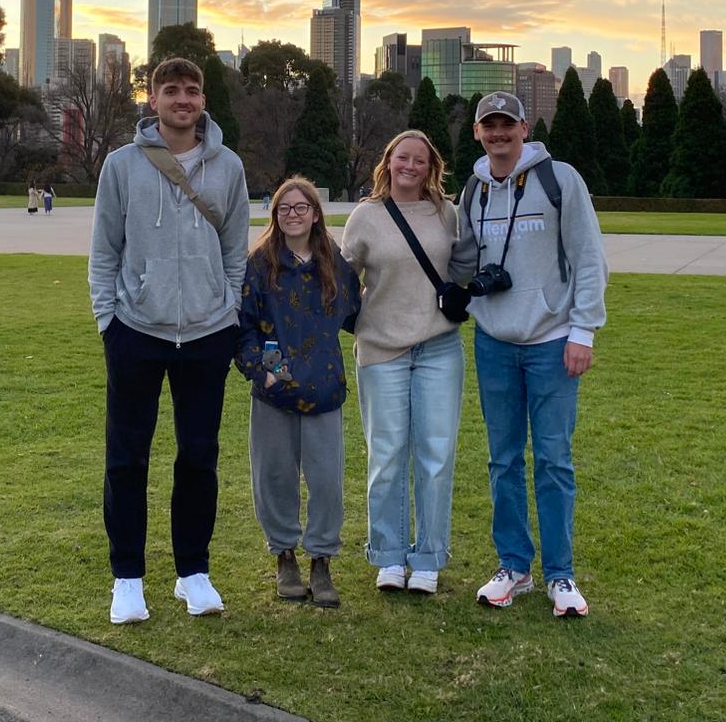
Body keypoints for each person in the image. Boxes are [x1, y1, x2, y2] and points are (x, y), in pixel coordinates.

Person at [88, 57, 251, 625]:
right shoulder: (121, 165)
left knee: (199, 456)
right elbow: (105, 249)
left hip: (207, 332)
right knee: (127, 458)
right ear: (152, 99)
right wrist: (108, 321)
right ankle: (127, 579)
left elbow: (236, 249)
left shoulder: (227, 165)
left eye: (192, 91)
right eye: (171, 90)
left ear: (203, 100)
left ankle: (193, 573)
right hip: (136, 330)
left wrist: (228, 309)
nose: (183, 100)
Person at [455, 92, 607, 619]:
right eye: (487, 125)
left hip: (551, 340)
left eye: (506, 124)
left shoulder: (559, 179)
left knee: (553, 460)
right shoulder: (473, 189)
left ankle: (560, 575)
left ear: (523, 127)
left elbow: (589, 256)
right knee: (502, 460)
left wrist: (583, 330)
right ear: (477, 133)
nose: (498, 134)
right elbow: (463, 257)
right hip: (495, 339)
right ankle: (514, 566)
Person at [339, 129, 474, 595]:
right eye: (402, 158)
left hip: (438, 346)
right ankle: (389, 556)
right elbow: (341, 280)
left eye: (419, 160)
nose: (410, 167)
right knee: (387, 455)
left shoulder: (446, 213)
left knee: (436, 456)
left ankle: (429, 557)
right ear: (388, 162)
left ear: (431, 166)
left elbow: (465, 267)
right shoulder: (366, 216)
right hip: (381, 350)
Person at [235, 177, 361, 608]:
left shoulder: (335, 263)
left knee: (326, 481)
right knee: (275, 476)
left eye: (300, 207)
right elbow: (245, 326)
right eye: (284, 208)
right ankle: (284, 554)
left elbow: (355, 315)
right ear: (275, 214)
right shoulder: (261, 264)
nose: (292, 214)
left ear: (314, 213)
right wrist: (267, 372)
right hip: (276, 389)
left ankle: (321, 560)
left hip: (324, 388)